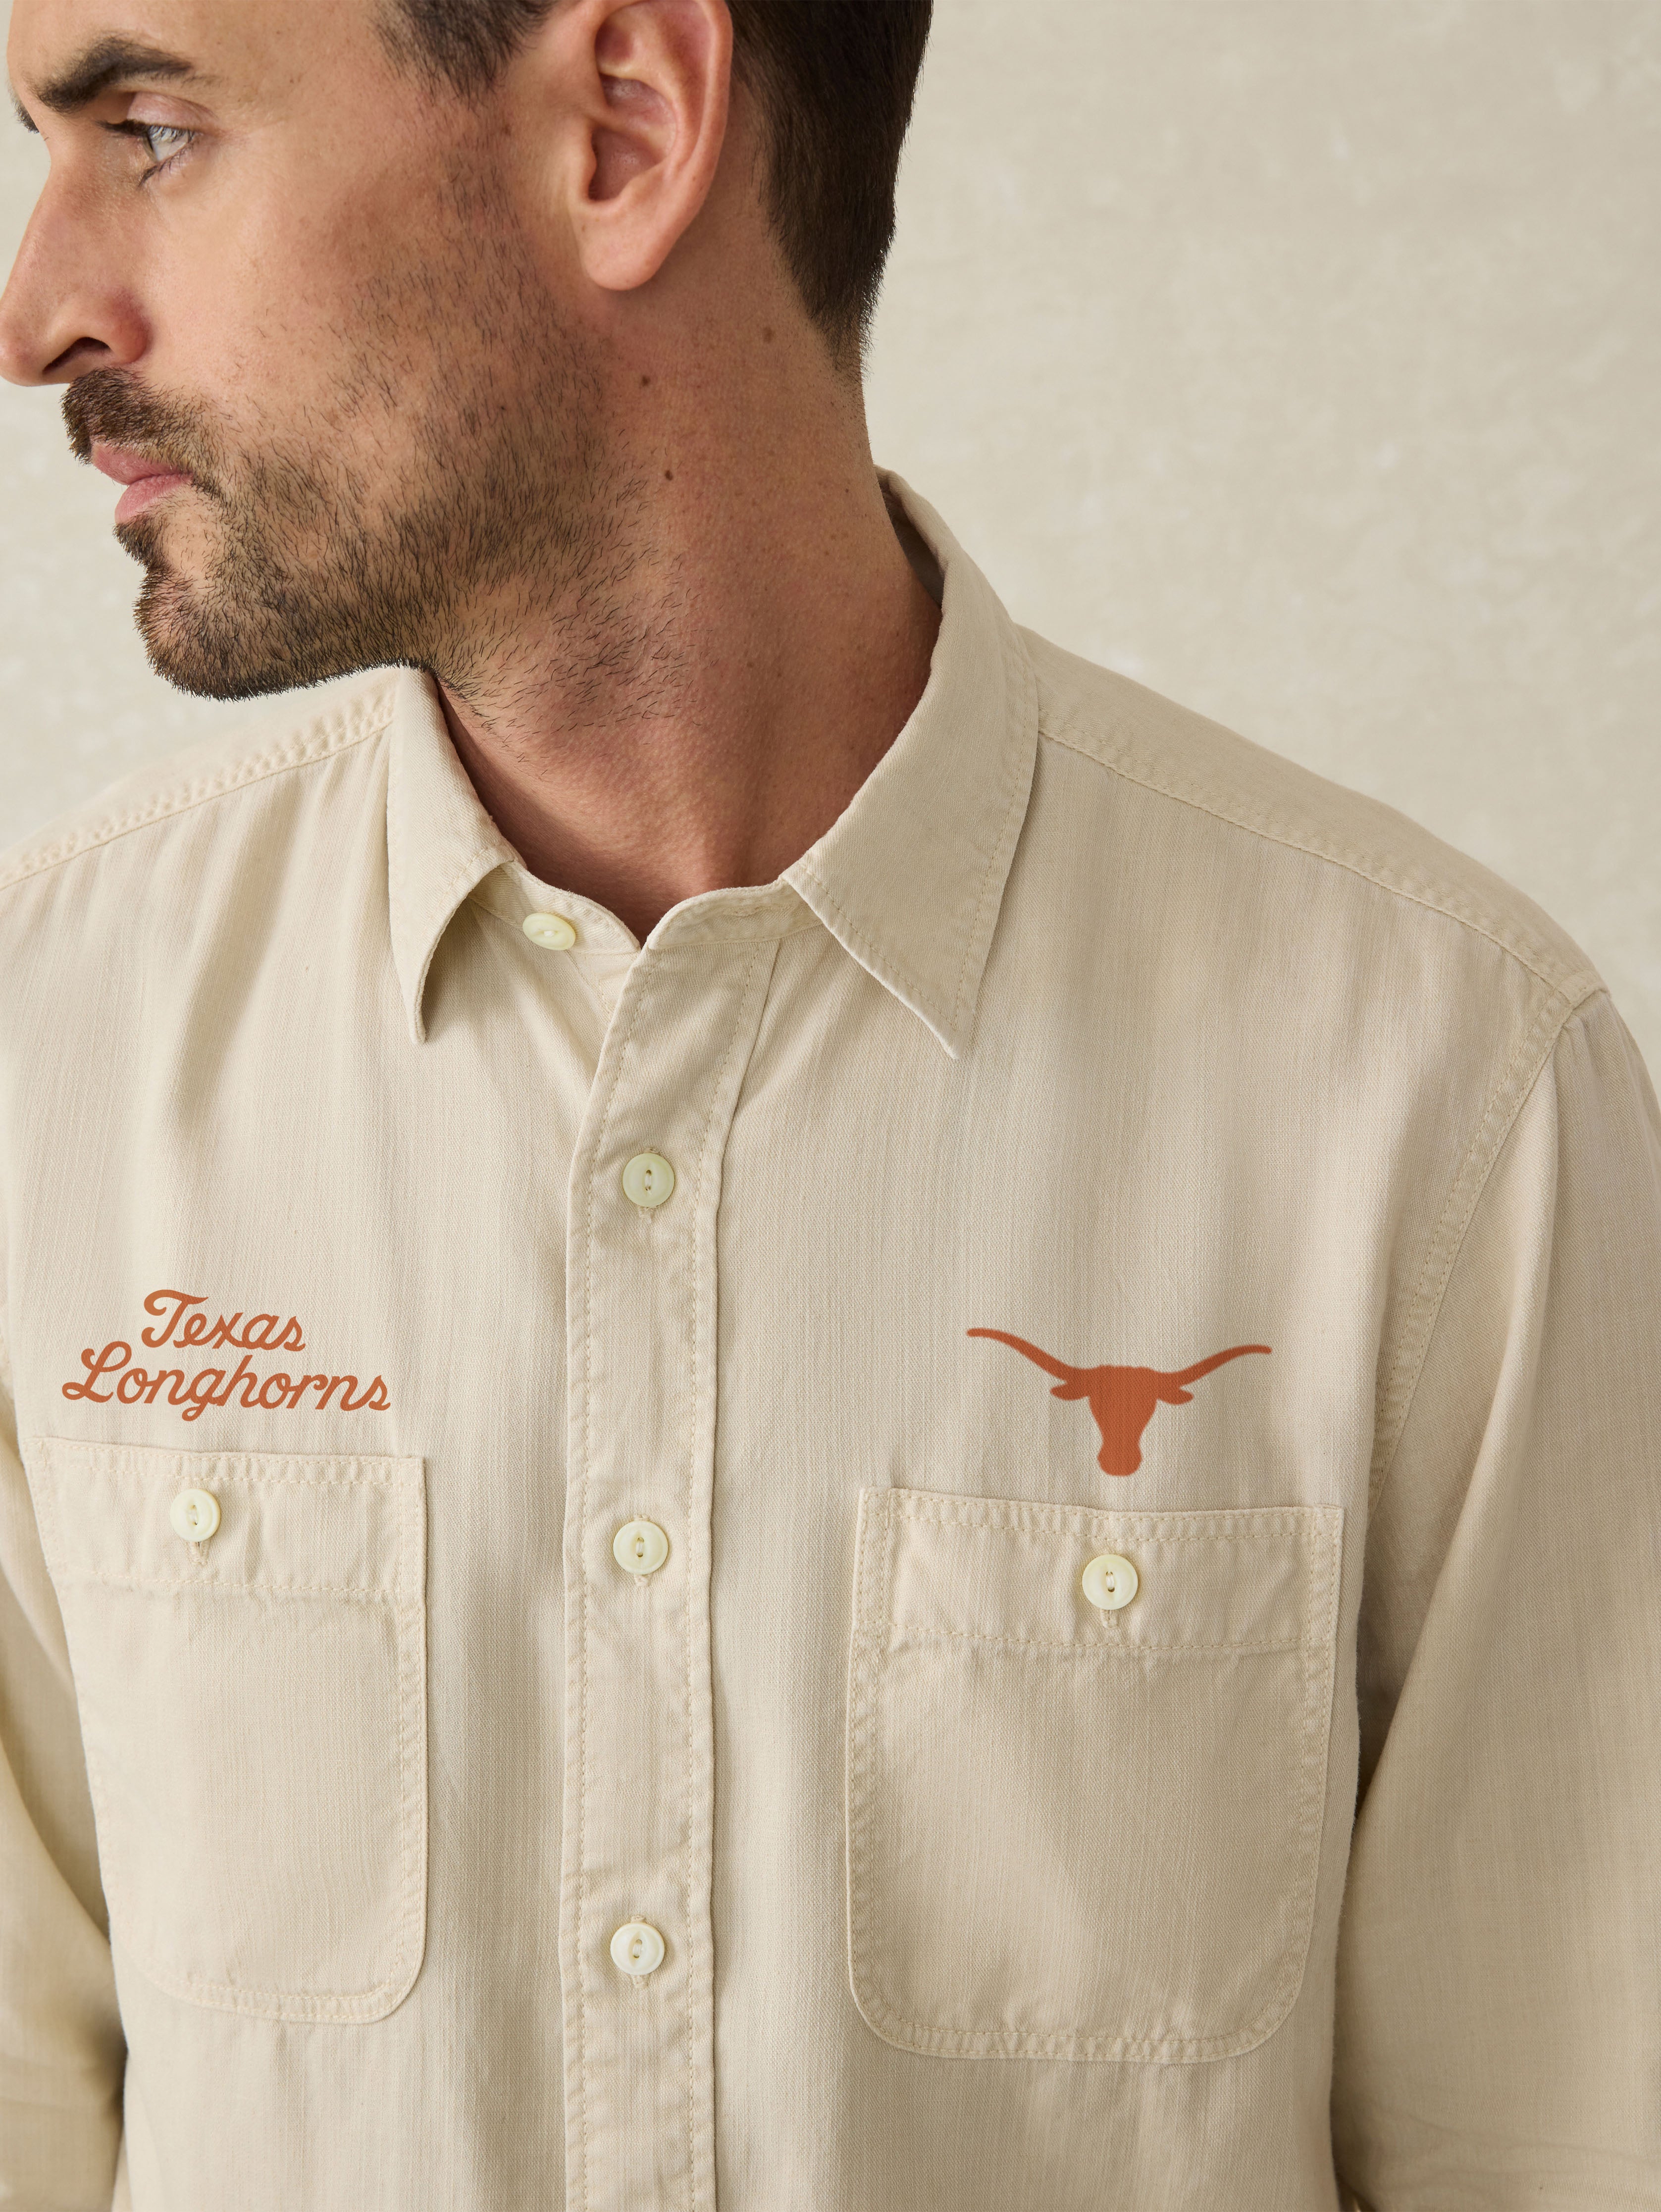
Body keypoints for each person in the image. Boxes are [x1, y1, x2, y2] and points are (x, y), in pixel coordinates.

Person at [0, 0, 1656, 2205]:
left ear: (622, 125)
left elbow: (1554, 2147)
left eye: (151, 127)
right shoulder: (44, 1057)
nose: (38, 308)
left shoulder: (1445, 1102)